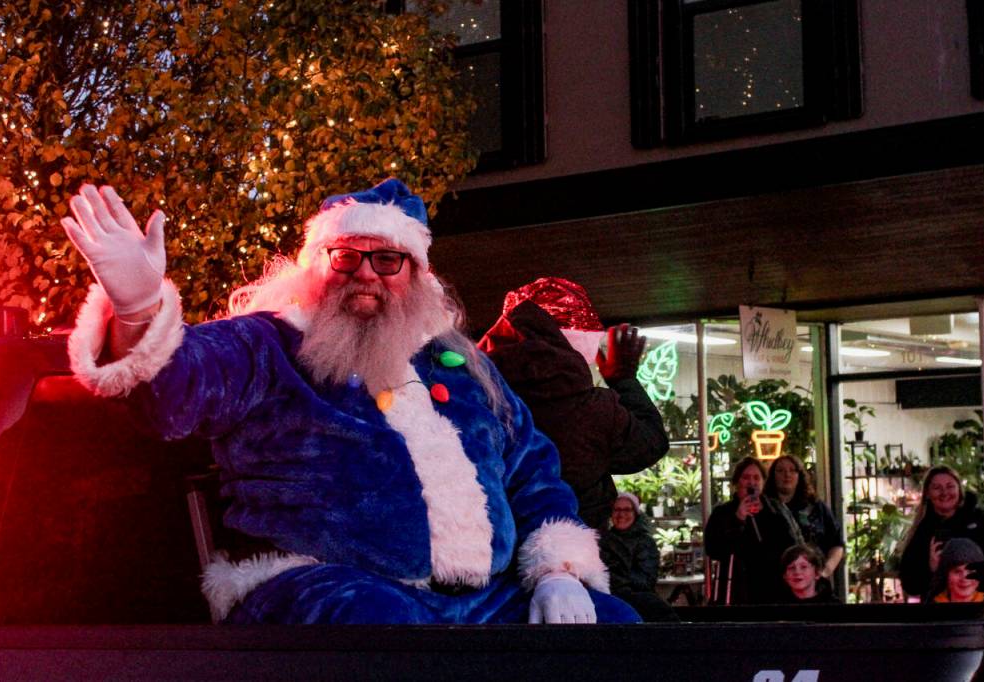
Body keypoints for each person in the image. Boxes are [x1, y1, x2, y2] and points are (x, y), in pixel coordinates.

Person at [59, 179, 641, 625]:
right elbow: (173, 395)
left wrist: (557, 571)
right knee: (373, 629)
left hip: (479, 601)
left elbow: (532, 473)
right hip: (319, 584)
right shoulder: (267, 344)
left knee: (610, 627)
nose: (365, 273)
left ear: (415, 273)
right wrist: (138, 311)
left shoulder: (464, 369)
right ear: (318, 264)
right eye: (346, 256)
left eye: (386, 260)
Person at [478, 277, 669, 530]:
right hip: (573, 549)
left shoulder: (476, 394)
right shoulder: (592, 410)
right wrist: (623, 379)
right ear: (575, 347)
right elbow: (650, 444)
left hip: (493, 544)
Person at [704, 456, 803, 604]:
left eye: (757, 478)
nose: (752, 482)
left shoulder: (777, 509)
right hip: (736, 592)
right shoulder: (722, 513)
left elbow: (794, 545)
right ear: (737, 483)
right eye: (746, 478)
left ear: (763, 483)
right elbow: (713, 549)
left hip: (774, 591)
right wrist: (738, 519)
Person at [898, 465, 984, 601]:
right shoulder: (922, 531)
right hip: (940, 613)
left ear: (959, 490)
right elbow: (911, 586)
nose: (944, 492)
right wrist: (931, 568)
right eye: (937, 488)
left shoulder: (980, 522)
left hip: (981, 609)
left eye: (950, 486)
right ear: (927, 493)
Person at [598, 492, 677, 622]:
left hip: (640, 604)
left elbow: (646, 580)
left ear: (635, 513)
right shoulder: (603, 540)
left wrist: (617, 576)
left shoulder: (645, 542)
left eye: (627, 510)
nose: (621, 514)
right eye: (617, 509)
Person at [764, 455, 845, 580]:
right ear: (773, 476)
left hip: (813, 585)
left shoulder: (816, 507)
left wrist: (825, 571)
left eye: (792, 470)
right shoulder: (764, 508)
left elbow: (837, 544)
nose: (787, 475)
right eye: (781, 470)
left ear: (799, 475)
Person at [929, 538, 984, 603]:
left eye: (971, 571)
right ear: (946, 575)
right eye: (957, 571)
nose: (964, 578)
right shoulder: (932, 602)